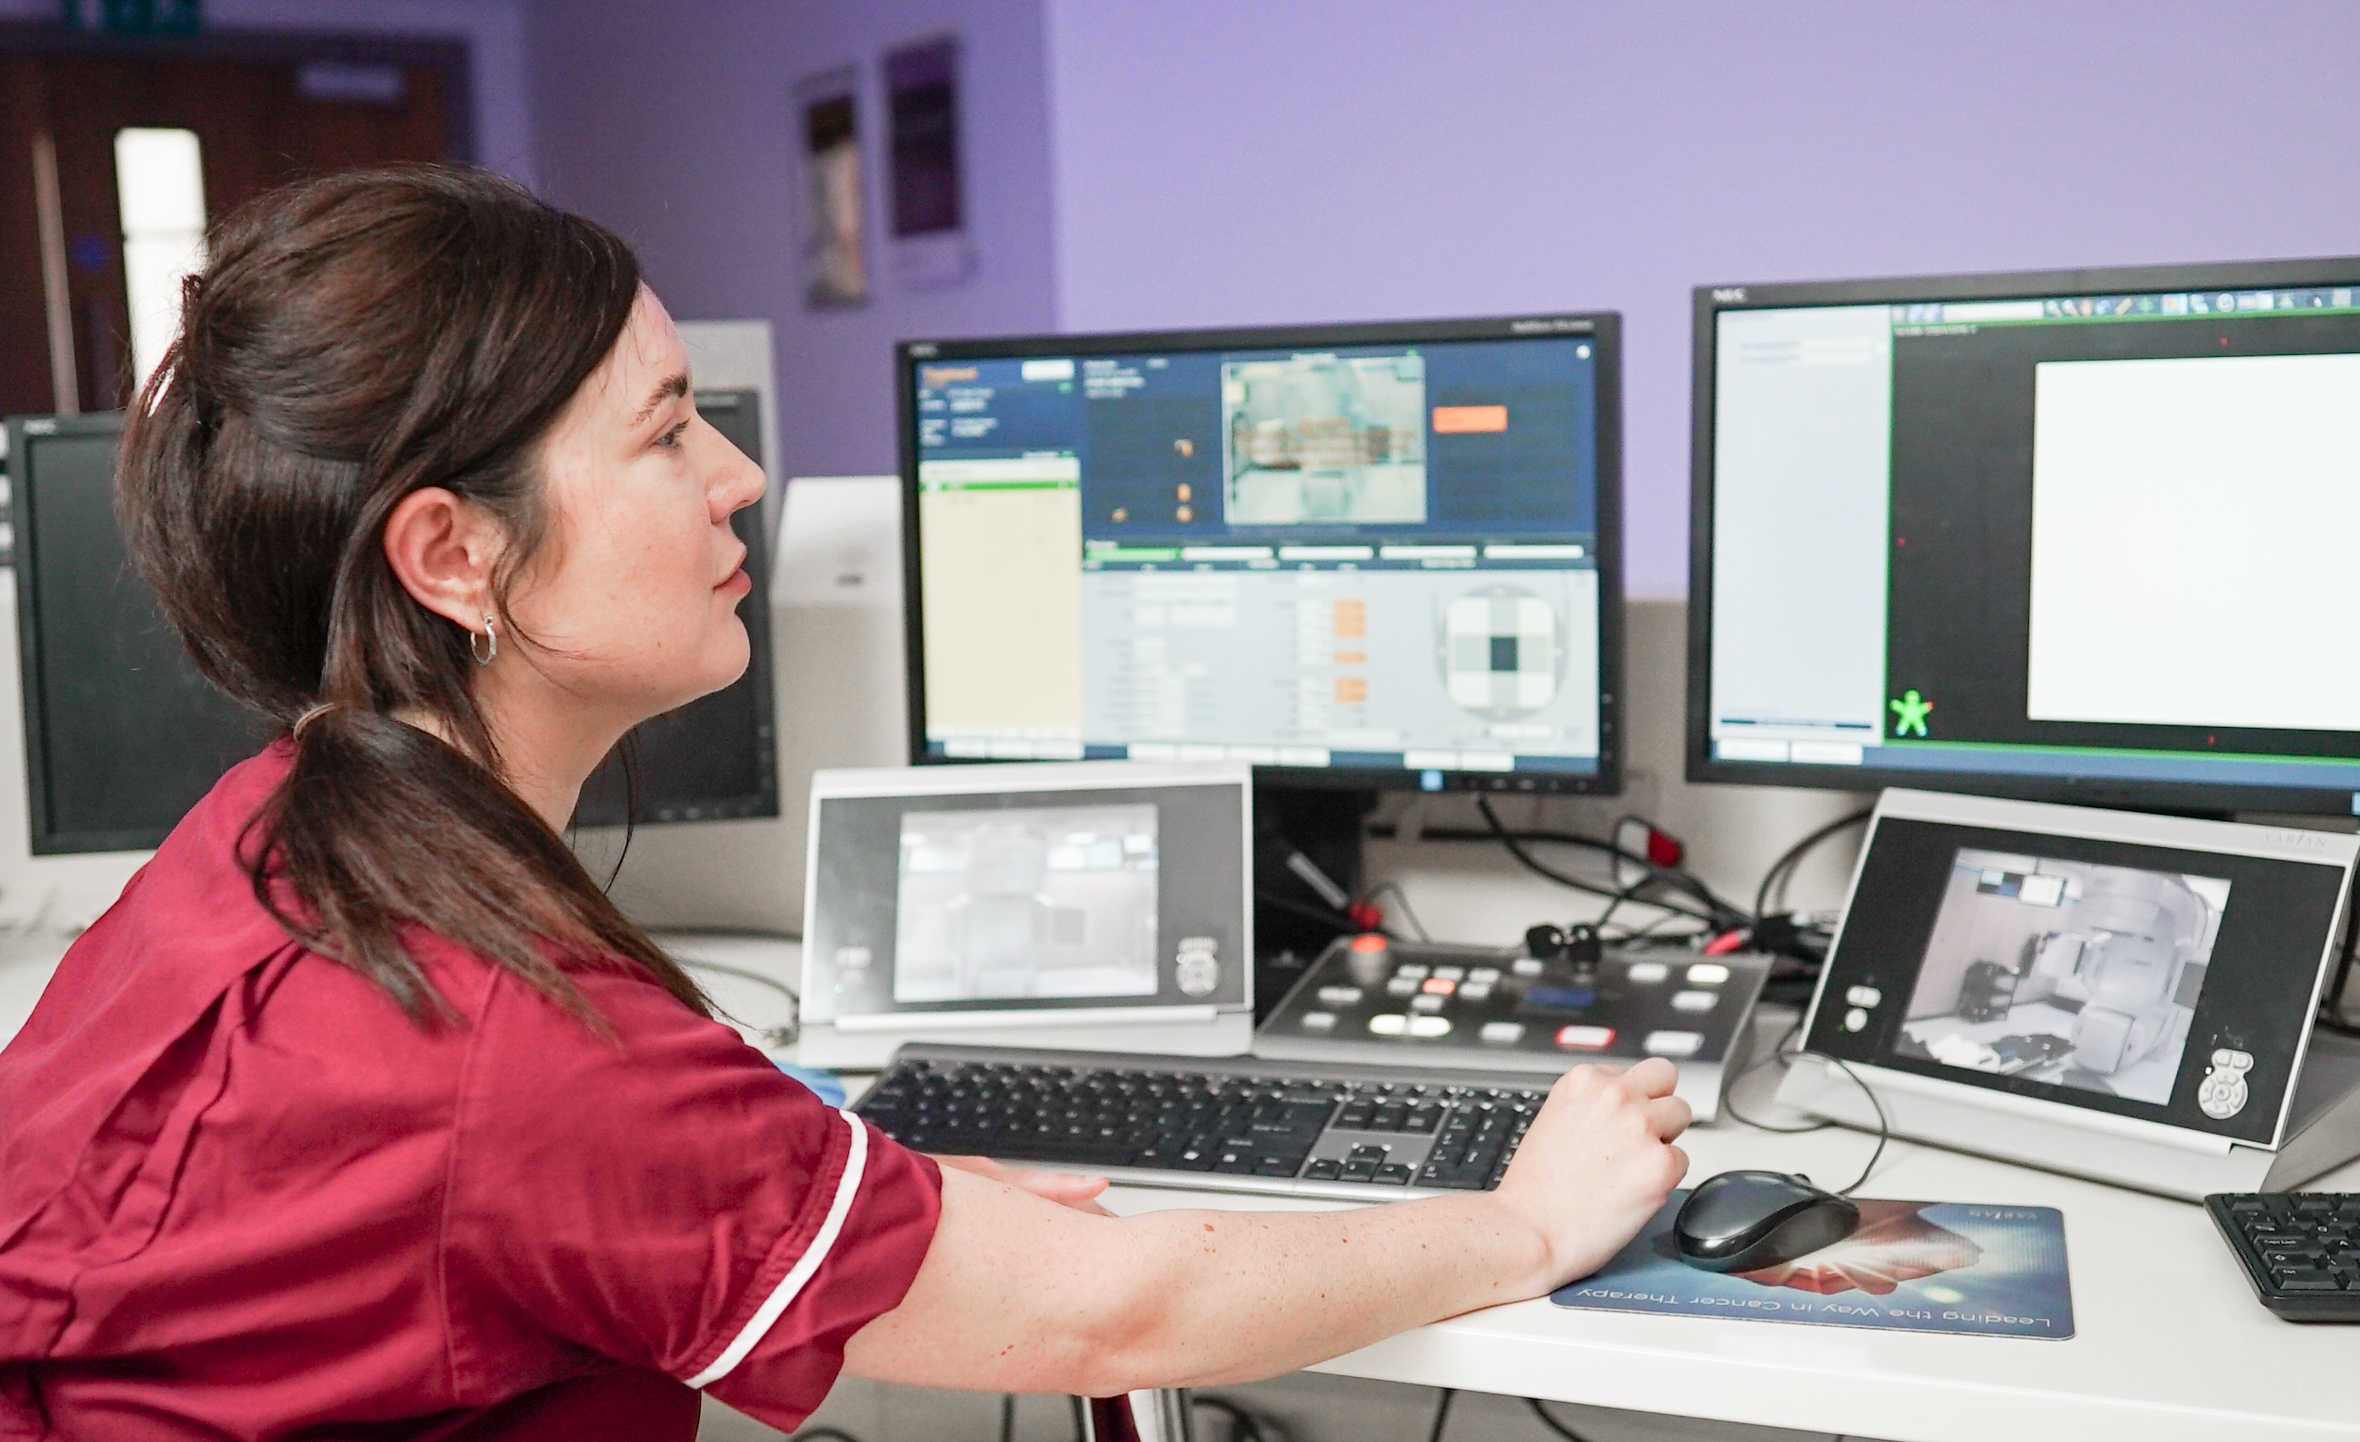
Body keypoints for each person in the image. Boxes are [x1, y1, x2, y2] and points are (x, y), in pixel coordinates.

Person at [0, 166, 1691, 1440]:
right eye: (667, 434)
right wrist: (1526, 1217)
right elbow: (1116, 1318)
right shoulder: (510, 1041)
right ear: (454, 554)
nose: (738, 473)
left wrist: (837, 1183)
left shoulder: (261, 833)